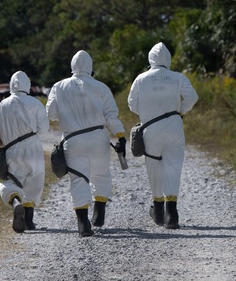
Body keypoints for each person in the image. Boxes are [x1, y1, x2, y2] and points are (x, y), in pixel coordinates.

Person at [46, 50, 127, 237]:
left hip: (73, 140)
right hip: (99, 138)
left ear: (72, 66)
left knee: (78, 180)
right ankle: (99, 211)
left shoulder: (58, 87)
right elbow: (111, 116)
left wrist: (66, 114)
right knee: (101, 175)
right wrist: (121, 136)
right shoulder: (101, 87)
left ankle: (83, 224)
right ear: (90, 68)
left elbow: (50, 114)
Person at [127, 42, 198, 229]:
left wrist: (147, 113)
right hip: (174, 128)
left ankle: (158, 211)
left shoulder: (140, 79)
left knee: (154, 168)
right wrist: (180, 111)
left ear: (150, 59)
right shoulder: (178, 77)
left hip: (150, 130)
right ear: (167, 59)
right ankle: (171, 215)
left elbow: (132, 104)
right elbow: (192, 97)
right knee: (173, 168)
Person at [0, 71, 49, 233]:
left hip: (12, 151)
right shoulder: (35, 103)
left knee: (11, 182)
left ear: (11, 84)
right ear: (27, 85)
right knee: (33, 182)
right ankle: (29, 221)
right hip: (33, 148)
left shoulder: (2, 106)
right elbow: (43, 130)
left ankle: (15, 202)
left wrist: (2, 135)